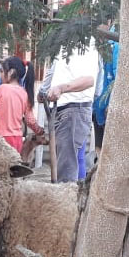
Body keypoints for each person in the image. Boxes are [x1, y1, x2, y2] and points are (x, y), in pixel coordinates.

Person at [37, 44, 99, 182]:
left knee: (67, 171)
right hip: (61, 110)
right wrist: (44, 90)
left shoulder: (85, 43)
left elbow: (89, 80)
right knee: (63, 167)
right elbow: (53, 70)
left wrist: (61, 88)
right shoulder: (65, 44)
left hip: (74, 110)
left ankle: (67, 195)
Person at [0, 56, 44, 153]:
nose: (0, 75)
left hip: (0, 139)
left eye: (2, 71)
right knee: (14, 162)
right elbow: (30, 120)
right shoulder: (24, 93)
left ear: (11, 72)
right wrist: (39, 130)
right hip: (17, 140)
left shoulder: (1, 89)